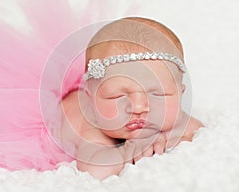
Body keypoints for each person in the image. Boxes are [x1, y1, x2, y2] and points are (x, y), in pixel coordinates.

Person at [59, 17, 203, 180]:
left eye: (158, 94)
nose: (139, 107)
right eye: (118, 96)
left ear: (180, 93)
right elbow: (96, 171)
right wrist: (129, 149)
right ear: (92, 101)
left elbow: (197, 131)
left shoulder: (171, 116)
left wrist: (164, 136)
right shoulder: (93, 127)